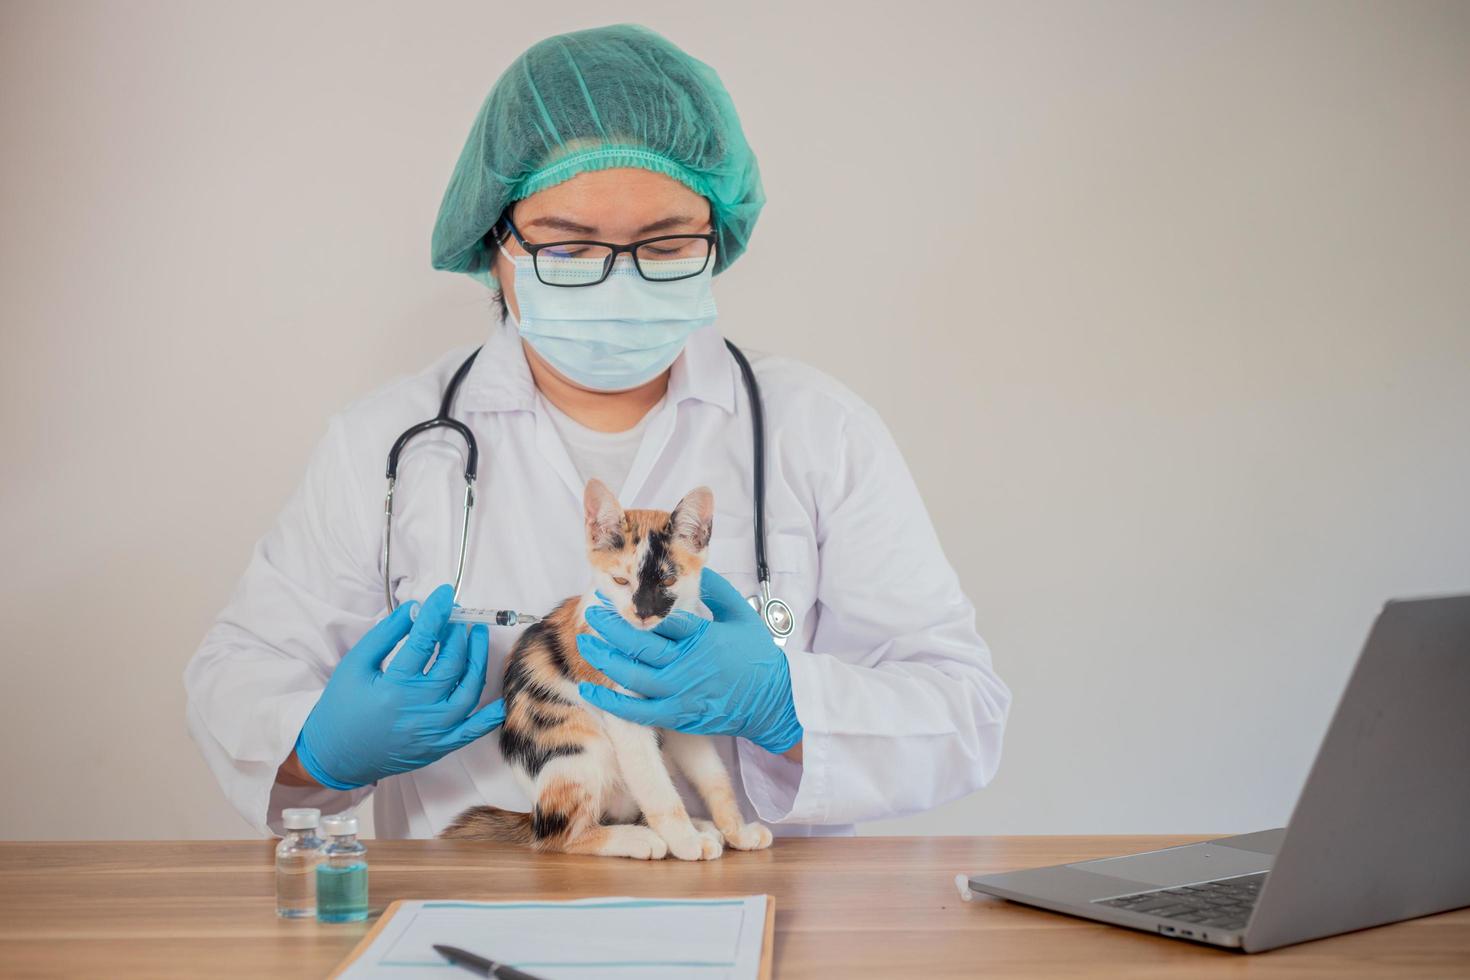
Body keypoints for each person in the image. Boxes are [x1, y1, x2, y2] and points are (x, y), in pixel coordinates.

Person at [184, 23, 1011, 839]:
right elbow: (238, 676)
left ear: (716, 239)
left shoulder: (818, 430)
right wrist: (320, 748)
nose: (617, 277)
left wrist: (785, 704)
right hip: (467, 929)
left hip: (763, 929)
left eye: (666, 243)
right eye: (568, 247)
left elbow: (964, 711)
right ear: (494, 240)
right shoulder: (388, 444)